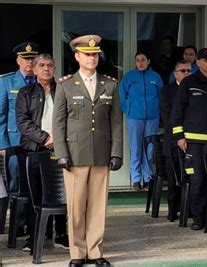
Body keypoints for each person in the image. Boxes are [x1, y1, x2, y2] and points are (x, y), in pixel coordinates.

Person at [53, 34, 123, 267]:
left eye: (94, 55)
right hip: (74, 154)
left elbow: (116, 122)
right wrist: (61, 153)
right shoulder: (64, 85)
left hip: (102, 153)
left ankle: (95, 251)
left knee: (97, 206)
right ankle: (77, 252)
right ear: (77, 57)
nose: (92, 58)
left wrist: (117, 152)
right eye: (87, 55)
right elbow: (59, 123)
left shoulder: (110, 84)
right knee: (76, 206)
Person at [15, 53, 69, 251]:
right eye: (42, 65)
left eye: (50, 65)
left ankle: (62, 235)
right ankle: (34, 236)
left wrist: (58, 138)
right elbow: (22, 122)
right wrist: (45, 138)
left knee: (62, 192)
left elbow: (70, 117)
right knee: (34, 195)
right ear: (35, 69)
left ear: (54, 69)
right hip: (34, 150)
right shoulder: (25, 93)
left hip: (60, 148)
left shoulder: (63, 90)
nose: (46, 68)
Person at [171, 48, 207, 230]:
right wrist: (180, 136)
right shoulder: (188, 83)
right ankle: (199, 218)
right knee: (197, 180)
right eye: (206, 60)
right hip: (193, 142)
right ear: (197, 62)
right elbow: (177, 110)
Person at [0, 42, 39, 200]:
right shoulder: (6, 82)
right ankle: (19, 223)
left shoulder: (42, 81)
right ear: (18, 61)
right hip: (15, 142)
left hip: (38, 141)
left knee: (37, 182)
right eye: (26, 58)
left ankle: (34, 223)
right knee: (17, 182)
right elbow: (1, 115)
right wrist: (3, 145)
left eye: (32, 58)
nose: (29, 62)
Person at [119, 51, 163, 190]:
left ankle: (148, 177)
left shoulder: (155, 77)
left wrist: (158, 110)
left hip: (152, 117)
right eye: (138, 60)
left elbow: (161, 95)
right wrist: (128, 111)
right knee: (136, 147)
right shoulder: (129, 77)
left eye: (143, 60)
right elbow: (121, 95)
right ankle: (136, 179)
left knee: (149, 149)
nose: (140, 63)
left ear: (148, 61)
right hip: (134, 117)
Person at [160, 60, 192, 221]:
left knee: (191, 176)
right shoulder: (167, 91)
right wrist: (180, 135)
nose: (187, 73)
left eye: (189, 71)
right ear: (175, 74)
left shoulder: (192, 89)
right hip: (173, 140)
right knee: (173, 178)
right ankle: (173, 211)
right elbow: (168, 116)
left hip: (191, 139)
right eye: (183, 71)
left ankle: (190, 209)